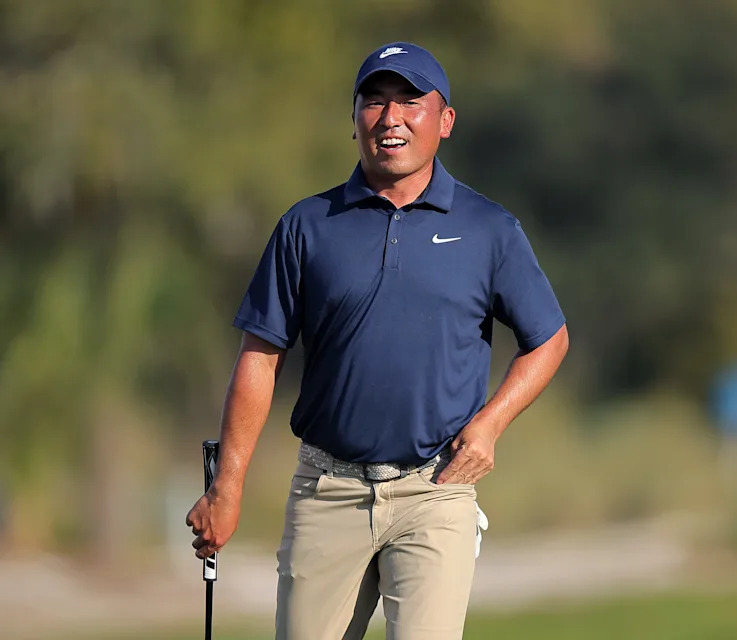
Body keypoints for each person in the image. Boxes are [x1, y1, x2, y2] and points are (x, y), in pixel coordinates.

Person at [186, 42, 568, 640]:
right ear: (355, 119)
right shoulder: (307, 226)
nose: (390, 118)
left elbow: (549, 339)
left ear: (444, 121)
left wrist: (491, 423)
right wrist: (226, 487)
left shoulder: (488, 228)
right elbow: (261, 359)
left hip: (435, 489)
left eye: (410, 101)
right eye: (374, 101)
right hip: (326, 488)